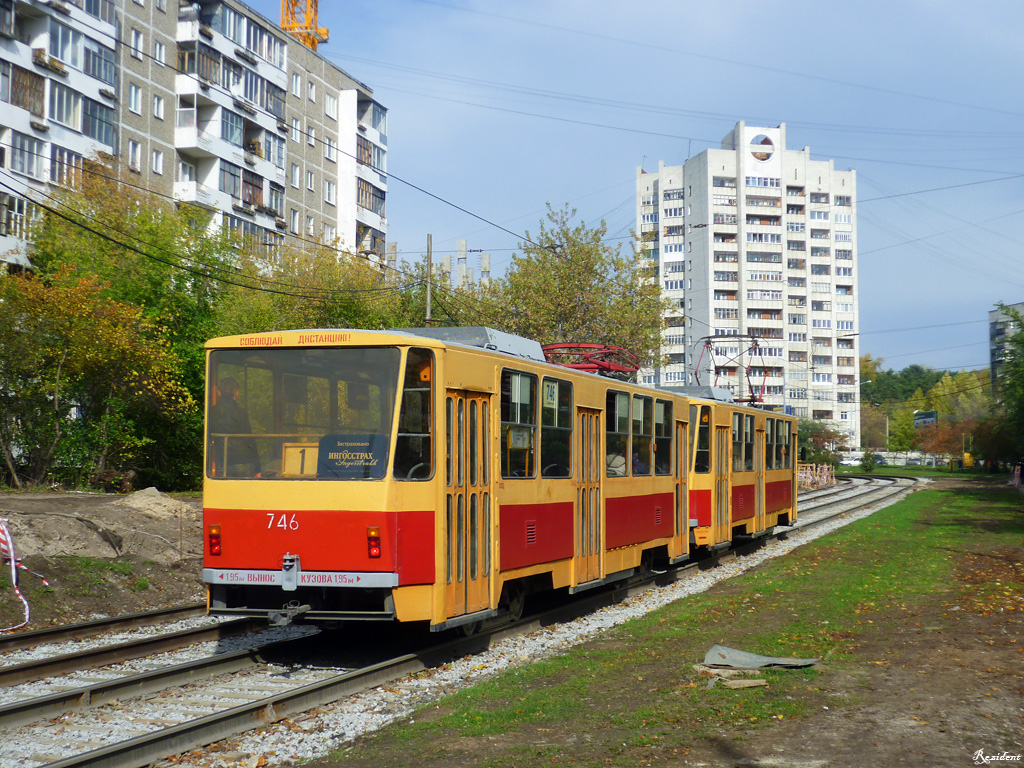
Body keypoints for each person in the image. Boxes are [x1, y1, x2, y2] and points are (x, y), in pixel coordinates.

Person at [210, 377, 260, 477]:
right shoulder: (241, 413)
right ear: (236, 393)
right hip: (243, 461)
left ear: (219, 393)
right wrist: (258, 468)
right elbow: (250, 439)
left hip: (222, 462)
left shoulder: (211, 412)